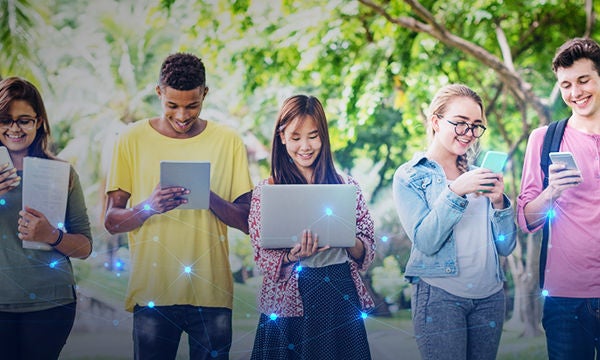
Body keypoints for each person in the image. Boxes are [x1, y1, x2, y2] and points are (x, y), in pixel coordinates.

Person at [104, 53, 253, 360]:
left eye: (192, 105)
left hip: (212, 294)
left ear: (205, 94)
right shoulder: (131, 139)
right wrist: (149, 206)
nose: (183, 115)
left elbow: (248, 220)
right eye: (172, 105)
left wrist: (206, 195)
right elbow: (111, 221)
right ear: (159, 92)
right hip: (153, 292)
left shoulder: (228, 141)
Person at [392, 84, 517, 360]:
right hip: (440, 296)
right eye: (460, 123)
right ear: (436, 121)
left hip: (490, 297)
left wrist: (499, 203)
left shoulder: (479, 174)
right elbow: (425, 240)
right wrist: (455, 191)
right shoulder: (409, 176)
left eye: (475, 126)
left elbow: (506, 246)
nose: (468, 134)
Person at [249, 94, 375, 359]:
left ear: (324, 137)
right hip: (288, 302)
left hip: (338, 293)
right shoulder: (268, 190)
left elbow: (367, 250)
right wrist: (293, 255)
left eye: (313, 136)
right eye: (295, 137)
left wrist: (347, 236)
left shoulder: (347, 186)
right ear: (281, 137)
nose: (305, 146)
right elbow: (261, 256)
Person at [517, 37, 600, 360]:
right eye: (566, 85)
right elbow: (527, 220)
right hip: (564, 299)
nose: (575, 93)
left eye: (583, 80)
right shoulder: (544, 139)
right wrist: (552, 192)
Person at [0, 76, 93, 359]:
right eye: (5, 119)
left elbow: (85, 247)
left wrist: (52, 235)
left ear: (38, 122)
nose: (14, 128)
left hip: (49, 304)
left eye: (24, 120)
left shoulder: (61, 173)